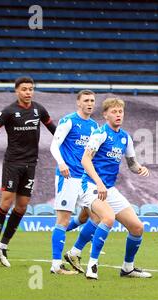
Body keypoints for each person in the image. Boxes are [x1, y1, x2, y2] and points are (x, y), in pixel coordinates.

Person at [0, 76, 57, 267]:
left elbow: (54, 130)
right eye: (24, 89)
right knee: (7, 202)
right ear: (16, 91)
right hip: (12, 163)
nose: (28, 92)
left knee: (22, 206)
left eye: (31, 89)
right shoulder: (8, 111)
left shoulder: (39, 109)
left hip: (30, 163)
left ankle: (3, 245)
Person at [80, 97, 152, 280]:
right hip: (90, 185)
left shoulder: (125, 138)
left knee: (137, 227)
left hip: (109, 189)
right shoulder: (100, 134)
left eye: (120, 111)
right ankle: (92, 265)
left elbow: (132, 164)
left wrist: (140, 169)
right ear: (105, 115)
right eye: (114, 111)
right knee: (108, 218)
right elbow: (85, 160)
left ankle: (127, 268)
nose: (118, 114)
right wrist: (99, 183)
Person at [49, 90, 99, 275]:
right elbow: (54, 145)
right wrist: (61, 164)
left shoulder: (94, 126)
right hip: (68, 176)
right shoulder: (69, 120)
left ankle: (74, 252)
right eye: (86, 100)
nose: (90, 103)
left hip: (85, 180)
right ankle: (56, 265)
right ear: (78, 103)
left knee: (96, 217)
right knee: (63, 220)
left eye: (92, 101)